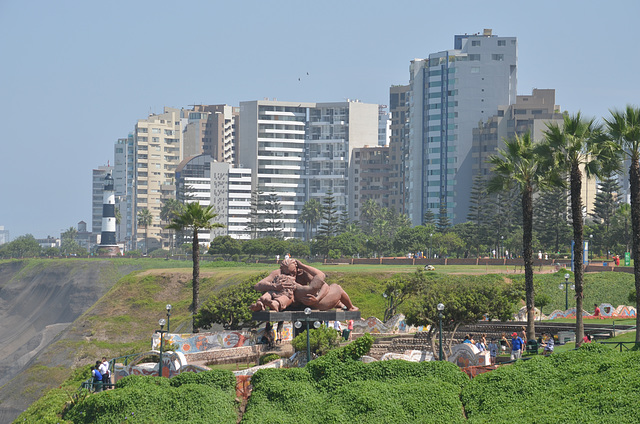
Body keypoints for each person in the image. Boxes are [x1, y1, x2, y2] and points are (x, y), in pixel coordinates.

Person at [251, 258, 358, 312]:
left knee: (336, 287)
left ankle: (350, 307)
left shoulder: (303, 276)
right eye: (285, 273)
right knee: (271, 291)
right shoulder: (278, 274)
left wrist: (317, 299)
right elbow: (258, 285)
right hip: (294, 302)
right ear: (281, 270)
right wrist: (273, 286)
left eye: (292, 273)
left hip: (308, 300)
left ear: (298, 270)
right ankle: (263, 302)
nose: (288, 276)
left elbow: (324, 285)